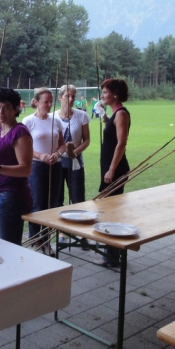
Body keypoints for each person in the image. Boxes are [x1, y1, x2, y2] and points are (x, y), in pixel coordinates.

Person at [0, 88, 33, 245]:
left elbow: (26, 169)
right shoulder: (2, 131)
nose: (1, 112)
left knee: (8, 245)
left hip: (10, 195)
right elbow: (8, 162)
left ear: (16, 109)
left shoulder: (20, 132)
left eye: (7, 107)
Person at [22, 87, 66, 256]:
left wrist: (57, 154)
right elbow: (24, 148)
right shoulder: (28, 121)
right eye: (45, 102)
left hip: (55, 166)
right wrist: (41, 155)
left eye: (51, 102)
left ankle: (47, 240)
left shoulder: (56, 121)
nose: (49, 105)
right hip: (37, 167)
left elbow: (62, 144)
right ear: (36, 102)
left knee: (52, 205)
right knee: (37, 204)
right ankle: (35, 240)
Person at [97, 78, 131, 267]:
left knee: (111, 212)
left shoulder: (121, 114)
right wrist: (104, 117)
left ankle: (111, 257)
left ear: (115, 94)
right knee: (109, 210)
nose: (102, 96)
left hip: (115, 170)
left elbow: (121, 143)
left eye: (105, 92)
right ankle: (111, 255)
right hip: (109, 168)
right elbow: (111, 134)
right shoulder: (115, 114)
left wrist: (111, 169)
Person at [54, 84, 91, 249]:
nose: (71, 99)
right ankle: (61, 233)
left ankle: (81, 234)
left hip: (75, 162)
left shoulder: (81, 116)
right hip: (57, 162)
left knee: (78, 198)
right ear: (60, 97)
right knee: (58, 199)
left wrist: (75, 152)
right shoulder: (53, 117)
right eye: (67, 96)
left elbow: (87, 140)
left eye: (73, 96)